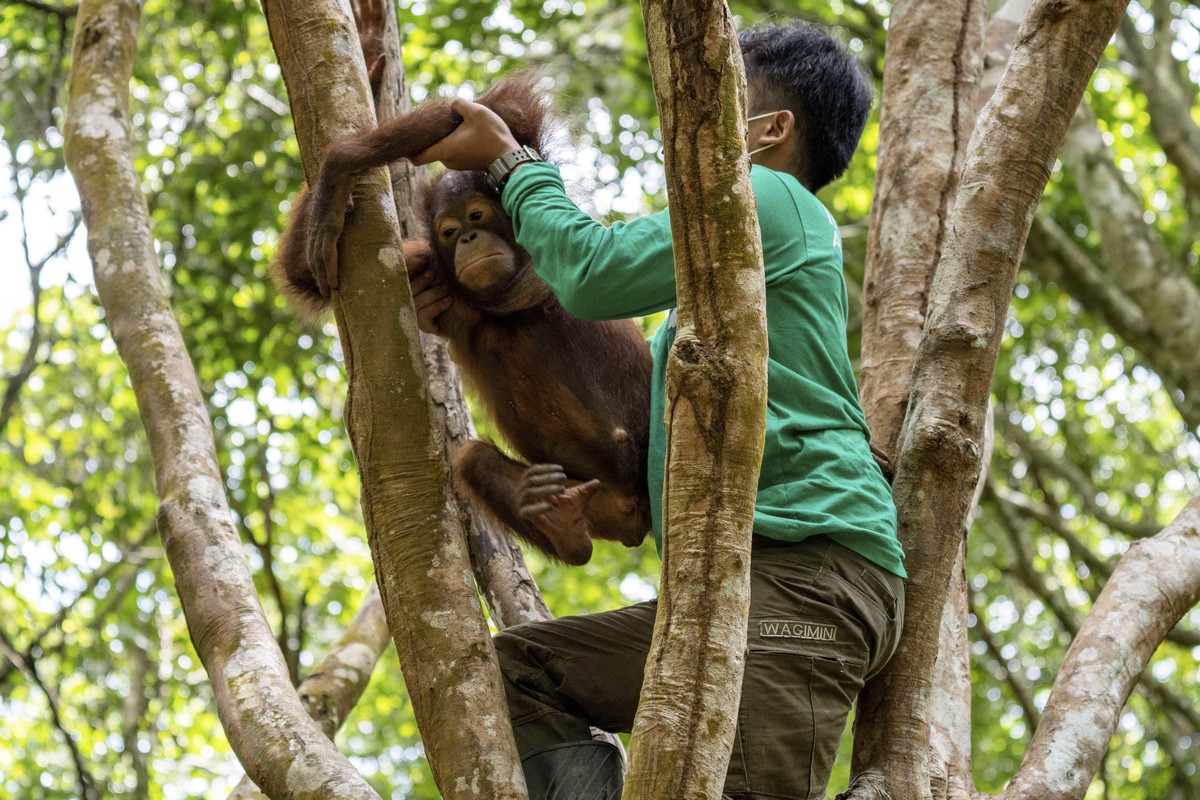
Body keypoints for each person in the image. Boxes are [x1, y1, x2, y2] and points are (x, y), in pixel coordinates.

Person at [414, 21, 906, 800]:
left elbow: (592, 273)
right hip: (740, 584)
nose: (686, 130)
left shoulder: (769, 197)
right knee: (515, 674)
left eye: (712, 106)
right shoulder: (717, 303)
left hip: (806, 578)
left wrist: (510, 164)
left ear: (768, 130)